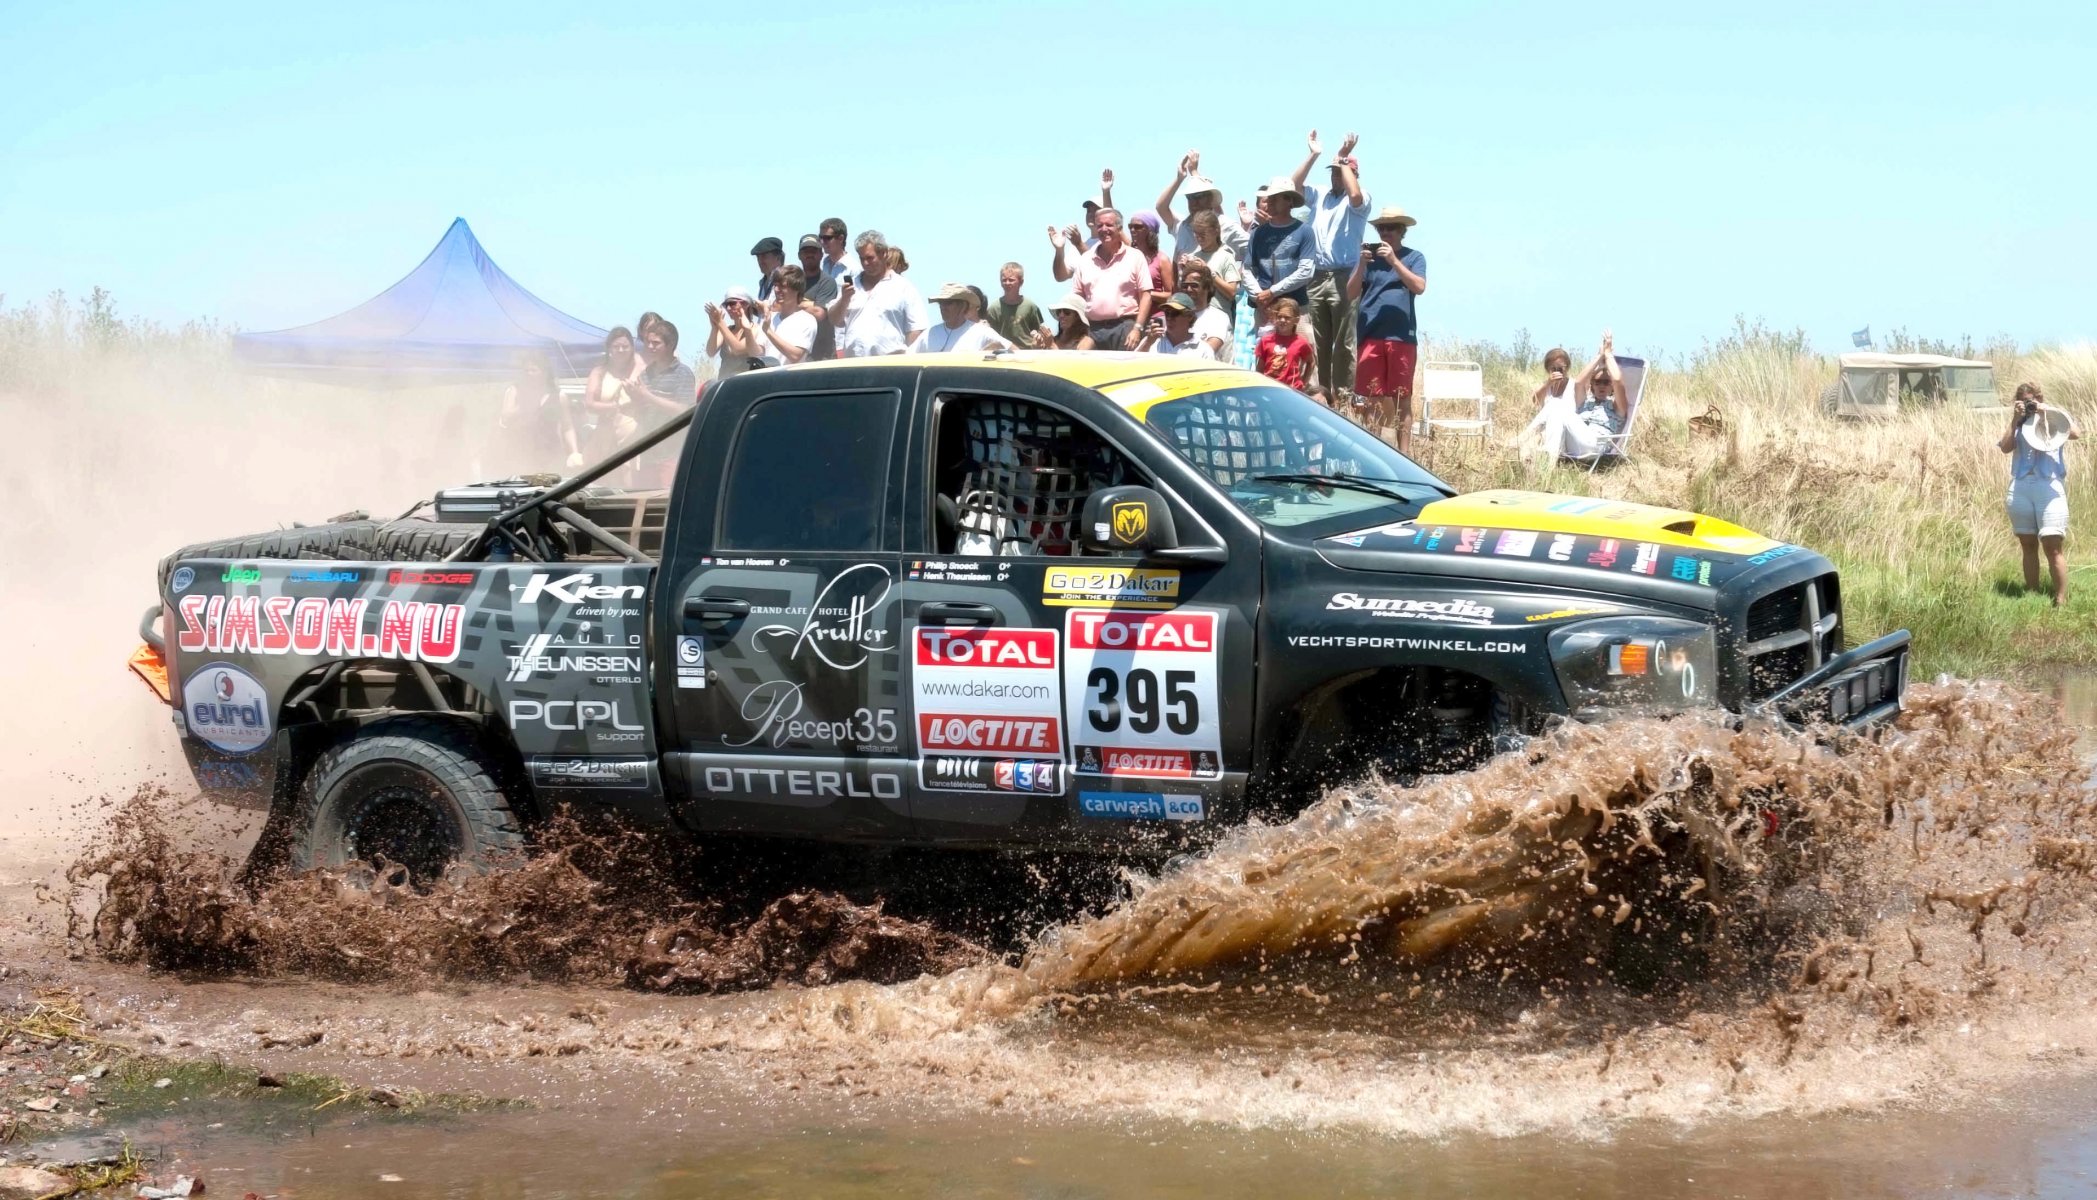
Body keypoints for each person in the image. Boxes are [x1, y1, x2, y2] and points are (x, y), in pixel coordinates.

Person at [1295, 130, 1370, 402]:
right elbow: (1294, 185)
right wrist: (1314, 154)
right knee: (1318, 342)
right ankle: (1322, 397)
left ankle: (1344, 396)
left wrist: (1343, 158)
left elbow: (1356, 195)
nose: (1335, 176)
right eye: (1334, 171)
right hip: (1317, 276)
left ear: (1352, 174)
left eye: (1340, 171)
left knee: (1344, 342)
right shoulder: (1320, 195)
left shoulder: (1361, 199)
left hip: (1344, 276)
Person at [1347, 205, 1428, 449]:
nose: (1386, 232)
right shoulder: (1369, 260)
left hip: (1401, 336)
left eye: (1391, 227)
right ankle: (1375, 453)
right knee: (1371, 398)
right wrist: (1361, 264)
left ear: (1402, 231)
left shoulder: (1414, 257)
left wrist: (1393, 261)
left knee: (1402, 398)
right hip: (1370, 334)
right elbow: (1350, 293)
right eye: (1381, 228)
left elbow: (1419, 286)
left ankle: (1404, 455)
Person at [1999, 382, 2080, 606]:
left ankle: (2061, 599)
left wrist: (2047, 410)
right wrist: (2015, 419)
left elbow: (2075, 433)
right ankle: (2032, 593)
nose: (2029, 404)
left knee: (2052, 544)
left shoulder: (2053, 415)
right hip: (2022, 485)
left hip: (2049, 485)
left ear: (2039, 398)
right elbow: (2005, 447)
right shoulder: (2018, 422)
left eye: (2032, 399)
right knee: (2027, 543)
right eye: (2024, 400)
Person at [1052, 208, 1152, 351]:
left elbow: (1146, 295)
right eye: (1099, 225)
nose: (1104, 229)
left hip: (1125, 327)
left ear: (1119, 228)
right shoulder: (1085, 259)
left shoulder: (1135, 256)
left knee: (1124, 371)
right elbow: (1077, 299)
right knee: (1083, 368)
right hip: (1092, 329)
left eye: (1109, 225)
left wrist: (1137, 328)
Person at [1524, 332, 1628, 462]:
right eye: (1597, 382)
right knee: (1555, 404)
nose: (1602, 385)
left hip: (1594, 444)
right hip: (1574, 442)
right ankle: (1548, 463)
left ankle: (1522, 439)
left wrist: (1607, 354)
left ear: (1612, 387)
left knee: (1556, 404)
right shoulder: (1584, 403)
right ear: (1591, 385)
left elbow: (1617, 379)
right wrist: (1598, 356)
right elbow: (1579, 382)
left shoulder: (1616, 407)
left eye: (1606, 382)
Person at [831, 229, 927, 356]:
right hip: (853, 366)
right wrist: (844, 300)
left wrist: (907, 360)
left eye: (870, 258)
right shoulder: (851, 286)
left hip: (889, 366)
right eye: (862, 258)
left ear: (884, 254)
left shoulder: (903, 287)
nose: (865, 263)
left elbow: (916, 328)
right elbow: (833, 320)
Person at [628, 320, 698, 488]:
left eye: (656, 343)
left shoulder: (683, 373)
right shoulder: (646, 374)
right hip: (648, 451)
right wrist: (635, 397)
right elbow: (641, 411)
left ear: (671, 344)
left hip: (672, 454)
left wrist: (647, 395)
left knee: (665, 503)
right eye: (648, 342)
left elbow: (685, 411)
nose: (650, 347)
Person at [1245, 176, 1314, 336]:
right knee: (1267, 357)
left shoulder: (1304, 231)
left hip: (1297, 308)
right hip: (1265, 309)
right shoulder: (1257, 233)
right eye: (1269, 198)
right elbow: (1247, 269)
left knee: (1301, 354)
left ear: (1290, 201)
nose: (1270, 202)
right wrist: (1259, 297)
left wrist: (1272, 292)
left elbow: (1306, 272)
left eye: (1275, 198)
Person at [1155, 150, 1248, 262]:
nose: (1194, 202)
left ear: (1210, 199)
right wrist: (1180, 178)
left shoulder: (1225, 225)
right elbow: (1161, 207)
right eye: (1190, 197)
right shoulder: (1182, 226)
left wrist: (1239, 273)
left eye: (1199, 196)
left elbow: (1253, 249)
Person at [497, 352, 582, 470]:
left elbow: (567, 427)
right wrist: (525, 404)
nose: (529, 374)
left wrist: (574, 453)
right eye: (526, 371)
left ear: (545, 372)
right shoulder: (515, 390)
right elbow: (505, 418)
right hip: (521, 452)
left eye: (533, 370)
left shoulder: (558, 396)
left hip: (551, 453)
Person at [582, 326, 642, 457]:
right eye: (616, 346)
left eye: (625, 346)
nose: (621, 350)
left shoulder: (641, 369)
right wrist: (615, 407)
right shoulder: (599, 372)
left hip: (634, 440)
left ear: (632, 348)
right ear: (609, 348)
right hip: (604, 439)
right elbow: (589, 404)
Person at [918, 283, 1013, 353]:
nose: (943, 307)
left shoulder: (982, 332)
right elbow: (907, 358)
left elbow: (1016, 353)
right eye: (941, 303)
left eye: (948, 303)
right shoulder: (929, 334)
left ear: (963, 305)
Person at [1182, 211, 1242, 319]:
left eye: (1203, 234)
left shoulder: (1226, 256)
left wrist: (1208, 272)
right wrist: (1184, 271)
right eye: (1196, 234)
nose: (1199, 238)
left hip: (1219, 318)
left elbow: (1232, 293)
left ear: (1216, 231)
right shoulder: (1193, 257)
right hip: (1194, 318)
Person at [757, 267, 820, 366]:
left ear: (796, 289)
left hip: (791, 379)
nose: (777, 290)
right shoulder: (769, 318)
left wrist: (768, 331)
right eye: (775, 285)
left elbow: (796, 356)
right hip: (768, 378)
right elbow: (757, 353)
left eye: (782, 286)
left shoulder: (807, 320)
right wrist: (747, 329)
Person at [1136, 292, 1226, 360]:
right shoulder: (1152, 341)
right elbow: (1133, 367)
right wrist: (1148, 343)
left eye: (1175, 313)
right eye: (1167, 313)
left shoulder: (1203, 349)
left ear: (1190, 316)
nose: (1169, 318)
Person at [705, 288, 766, 378]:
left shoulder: (755, 329)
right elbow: (710, 352)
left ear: (745, 304)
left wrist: (720, 323)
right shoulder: (726, 330)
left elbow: (738, 349)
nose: (728, 308)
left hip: (744, 382)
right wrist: (714, 327)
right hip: (724, 382)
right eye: (726, 305)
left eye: (732, 304)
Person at [1254, 298, 1313, 390]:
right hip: (1269, 387)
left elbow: (1311, 362)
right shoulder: (1265, 341)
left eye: (1287, 317)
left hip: (1291, 390)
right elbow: (1260, 368)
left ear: (1296, 320)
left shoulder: (1301, 343)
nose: (1282, 320)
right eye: (1279, 316)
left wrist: (1303, 383)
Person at [984, 262, 1047, 348]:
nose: (1007, 283)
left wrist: (1039, 337)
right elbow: (989, 335)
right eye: (1004, 280)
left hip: (1027, 354)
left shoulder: (1030, 306)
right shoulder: (994, 308)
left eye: (1011, 280)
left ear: (1021, 282)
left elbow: (1040, 331)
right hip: (1004, 354)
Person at [1177, 265, 1233, 360]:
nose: (1189, 289)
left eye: (1194, 285)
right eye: (1185, 286)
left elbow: (1208, 350)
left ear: (1207, 288)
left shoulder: (1219, 318)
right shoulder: (1176, 317)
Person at [1128, 212, 1175, 317]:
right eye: (1130, 226)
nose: (1132, 230)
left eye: (1137, 227)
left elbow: (1171, 295)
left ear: (1150, 230)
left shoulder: (1162, 259)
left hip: (1154, 318)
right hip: (1131, 318)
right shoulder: (1128, 257)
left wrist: (1146, 294)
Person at [1030, 296, 1095, 350]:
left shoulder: (1086, 343)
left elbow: (1075, 365)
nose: (1061, 315)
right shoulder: (1052, 341)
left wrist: (1052, 345)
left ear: (1077, 317)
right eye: (1059, 312)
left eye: (1067, 312)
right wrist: (1037, 347)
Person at [816, 218, 852, 284]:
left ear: (841, 238)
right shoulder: (824, 264)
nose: (822, 241)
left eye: (827, 238)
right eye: (820, 237)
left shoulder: (853, 269)